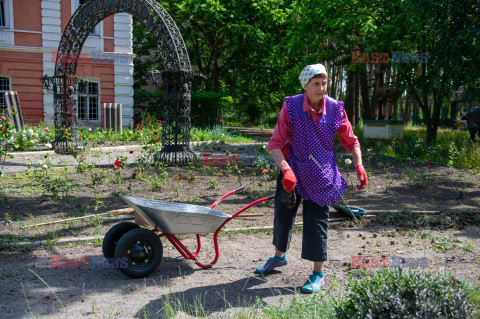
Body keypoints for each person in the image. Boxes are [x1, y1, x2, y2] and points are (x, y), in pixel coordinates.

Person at [255, 63, 368, 293]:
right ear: (305, 86)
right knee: (283, 214)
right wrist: (285, 170)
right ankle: (279, 257)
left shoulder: (336, 108)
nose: (321, 88)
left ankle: (318, 274)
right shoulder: (291, 106)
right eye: (316, 84)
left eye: (324, 83)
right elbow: (275, 144)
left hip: (321, 174)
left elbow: (351, 140)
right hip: (293, 170)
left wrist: (359, 164)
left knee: (317, 222)